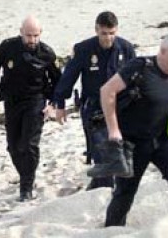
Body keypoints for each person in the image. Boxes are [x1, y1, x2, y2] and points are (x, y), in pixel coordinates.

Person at [98, 34, 168, 226]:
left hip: (162, 140)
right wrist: (113, 130)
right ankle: (111, 231)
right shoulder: (140, 67)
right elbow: (107, 90)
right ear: (163, 52)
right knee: (125, 193)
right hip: (133, 142)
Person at [50, 11, 136, 190]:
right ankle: (103, 189)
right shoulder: (83, 49)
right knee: (100, 151)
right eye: (104, 33)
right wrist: (60, 104)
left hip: (120, 106)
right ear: (97, 30)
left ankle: (102, 185)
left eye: (112, 33)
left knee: (119, 152)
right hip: (94, 107)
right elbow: (68, 77)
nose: (108, 38)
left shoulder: (126, 48)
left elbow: (136, 78)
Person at [0, 16, 61, 201]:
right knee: (13, 147)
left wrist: (53, 105)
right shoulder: (8, 47)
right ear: (21, 32)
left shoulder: (47, 53)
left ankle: (26, 187)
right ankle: (26, 175)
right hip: (12, 100)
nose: (31, 40)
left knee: (29, 145)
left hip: (36, 100)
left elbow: (59, 81)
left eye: (35, 36)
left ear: (40, 34)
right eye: (28, 36)